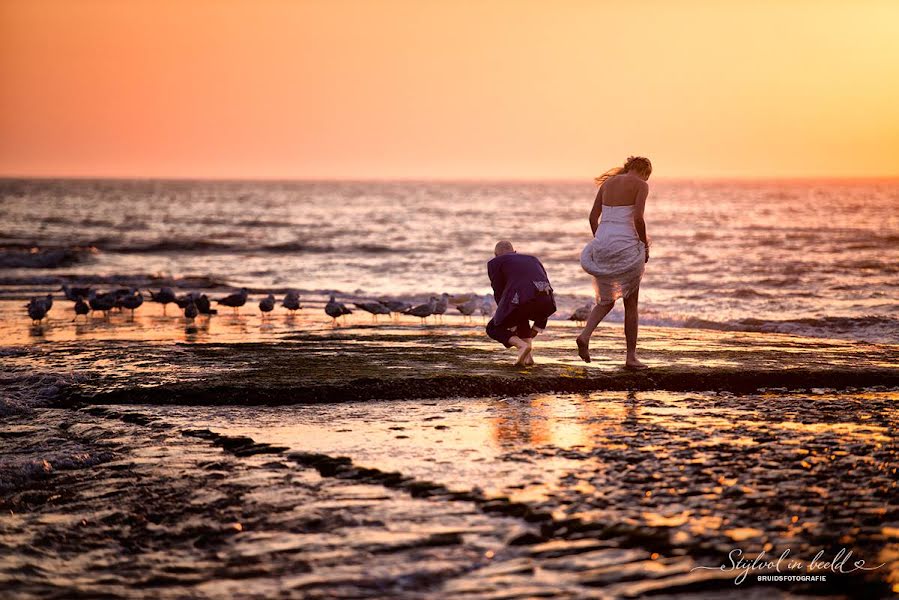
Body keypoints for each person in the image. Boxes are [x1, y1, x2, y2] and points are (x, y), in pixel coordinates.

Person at [577, 156, 652, 368]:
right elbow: (638, 218)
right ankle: (630, 357)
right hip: (626, 244)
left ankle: (585, 335)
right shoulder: (641, 185)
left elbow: (593, 218)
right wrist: (644, 245)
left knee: (606, 300)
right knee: (631, 303)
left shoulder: (607, 184)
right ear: (645, 172)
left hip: (602, 243)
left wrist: (600, 242)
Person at [486, 241, 556, 366]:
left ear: (496, 255)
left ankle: (522, 345)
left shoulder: (495, 263)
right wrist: (539, 324)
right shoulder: (533, 259)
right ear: (515, 252)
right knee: (520, 316)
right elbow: (544, 286)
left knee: (493, 328)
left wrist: (503, 319)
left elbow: (499, 292)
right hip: (547, 302)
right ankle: (528, 358)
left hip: (522, 301)